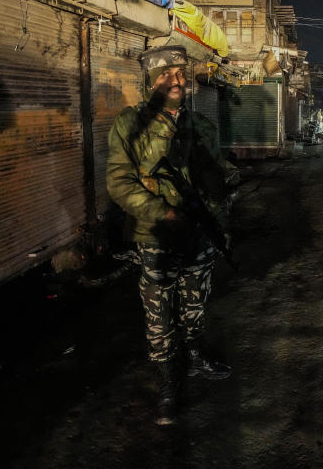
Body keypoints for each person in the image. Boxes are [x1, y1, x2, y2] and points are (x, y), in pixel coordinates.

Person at [106, 46, 232, 427]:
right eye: (165, 75)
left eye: (180, 73)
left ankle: (194, 353)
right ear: (149, 82)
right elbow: (118, 182)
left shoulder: (202, 126)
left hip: (199, 236)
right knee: (159, 314)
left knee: (195, 301)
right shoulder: (130, 124)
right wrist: (164, 213)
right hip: (157, 236)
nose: (176, 80)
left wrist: (222, 210)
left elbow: (216, 176)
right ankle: (167, 381)